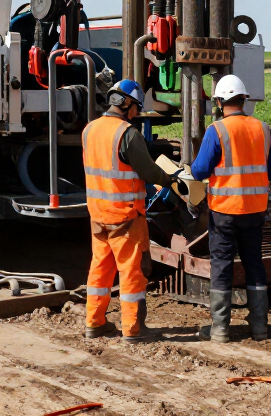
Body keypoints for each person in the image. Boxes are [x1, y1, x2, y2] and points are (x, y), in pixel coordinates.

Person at [82, 79, 179, 343]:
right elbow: (147, 171)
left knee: (100, 270)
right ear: (125, 103)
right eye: (136, 106)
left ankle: (95, 322)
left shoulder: (90, 130)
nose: (136, 112)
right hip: (125, 216)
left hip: (98, 215)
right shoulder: (127, 133)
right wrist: (171, 178)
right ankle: (133, 329)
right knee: (132, 272)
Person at [190, 74, 271, 343]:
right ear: (244, 99)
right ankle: (260, 328)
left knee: (222, 265)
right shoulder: (263, 129)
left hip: (225, 211)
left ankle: (220, 329)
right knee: (254, 263)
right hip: (255, 210)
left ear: (219, 101)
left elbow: (199, 170)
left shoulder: (216, 131)